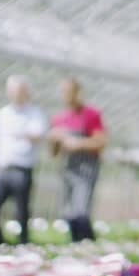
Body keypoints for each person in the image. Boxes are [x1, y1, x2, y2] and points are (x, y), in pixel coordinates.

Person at [0, 75, 47, 245]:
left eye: (19, 90)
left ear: (26, 92)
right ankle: (0, 245)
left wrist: (20, 133)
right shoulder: (3, 113)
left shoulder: (35, 113)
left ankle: (22, 247)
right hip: (2, 168)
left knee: (21, 214)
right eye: (11, 90)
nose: (15, 94)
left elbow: (38, 135)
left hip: (22, 170)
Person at [48, 77, 107, 242]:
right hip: (67, 169)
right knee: (68, 213)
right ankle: (77, 246)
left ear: (78, 92)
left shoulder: (90, 114)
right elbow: (54, 153)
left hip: (86, 169)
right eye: (63, 91)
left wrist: (78, 143)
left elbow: (101, 141)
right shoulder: (58, 118)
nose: (66, 95)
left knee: (81, 212)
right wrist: (53, 140)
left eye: (69, 91)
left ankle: (89, 245)